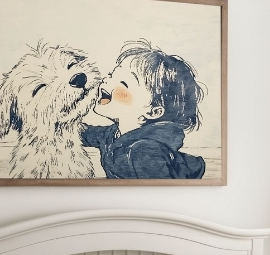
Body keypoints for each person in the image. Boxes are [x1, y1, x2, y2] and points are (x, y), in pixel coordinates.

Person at [81, 39, 206, 179]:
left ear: (153, 111)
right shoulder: (112, 134)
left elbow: (161, 192)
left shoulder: (145, 151)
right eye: (111, 75)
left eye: (123, 83)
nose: (106, 80)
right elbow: (83, 133)